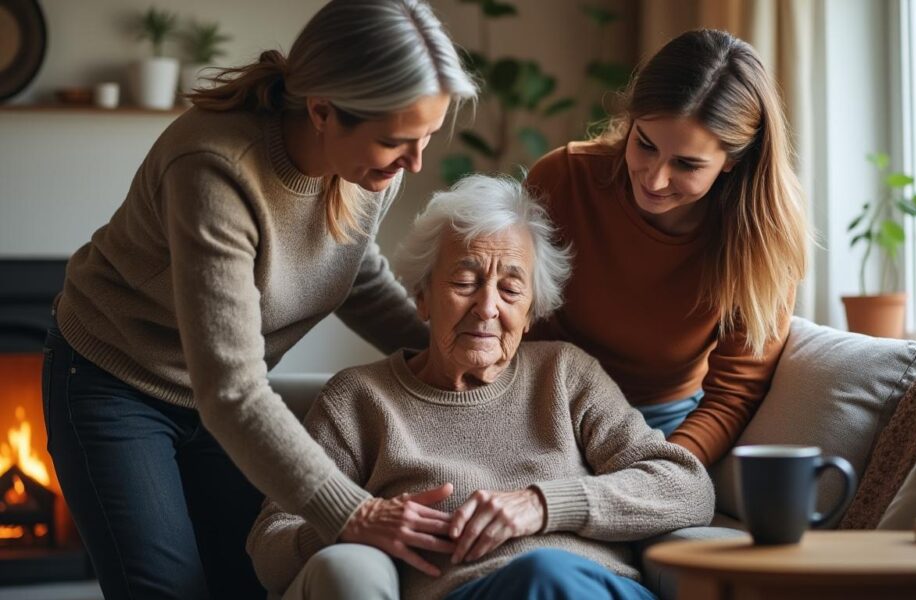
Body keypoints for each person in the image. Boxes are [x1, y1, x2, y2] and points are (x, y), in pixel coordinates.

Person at [40, 2, 476, 599]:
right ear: (322, 110)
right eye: (397, 141)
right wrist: (359, 513)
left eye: (427, 135)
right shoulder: (214, 168)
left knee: (249, 583)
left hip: (221, 396)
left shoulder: (371, 165)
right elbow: (232, 390)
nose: (415, 162)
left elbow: (352, 271)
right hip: (118, 382)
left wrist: (454, 354)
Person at [246, 174, 715, 600]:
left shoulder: (565, 374)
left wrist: (543, 505)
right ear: (423, 297)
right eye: (465, 281)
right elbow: (271, 543)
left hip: (590, 587)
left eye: (511, 290)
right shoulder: (360, 399)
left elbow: (688, 488)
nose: (487, 307)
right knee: (539, 577)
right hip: (469, 593)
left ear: (531, 313)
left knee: (545, 573)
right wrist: (354, 522)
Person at [524, 29, 809, 466]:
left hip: (663, 425)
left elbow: (733, 395)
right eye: (645, 144)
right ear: (632, 120)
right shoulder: (562, 180)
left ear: (733, 160)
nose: (654, 179)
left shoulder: (763, 239)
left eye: (687, 164)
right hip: (541, 405)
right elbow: (509, 325)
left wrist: (664, 469)